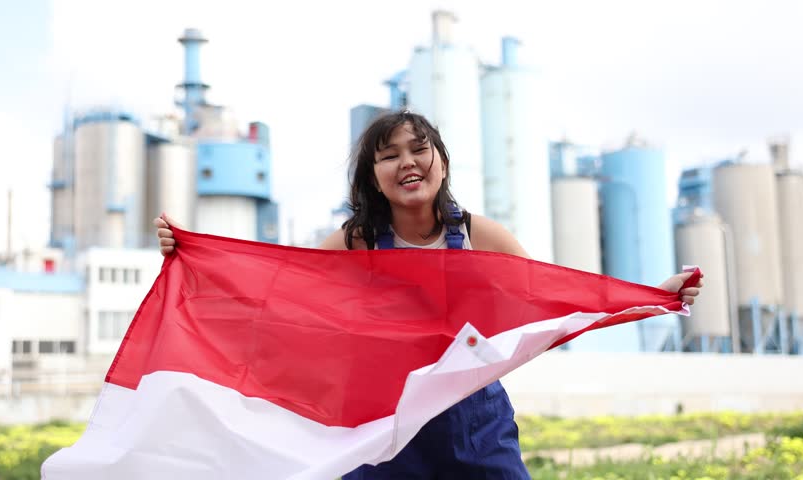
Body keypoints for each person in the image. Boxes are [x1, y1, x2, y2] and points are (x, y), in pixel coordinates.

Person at [154, 110, 703, 478]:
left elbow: (556, 297)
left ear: (441, 159)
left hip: (475, 420)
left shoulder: (480, 237)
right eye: (389, 155)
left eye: (420, 149)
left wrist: (652, 294)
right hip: (382, 424)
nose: (407, 162)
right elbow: (279, 296)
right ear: (374, 176)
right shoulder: (357, 242)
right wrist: (196, 256)